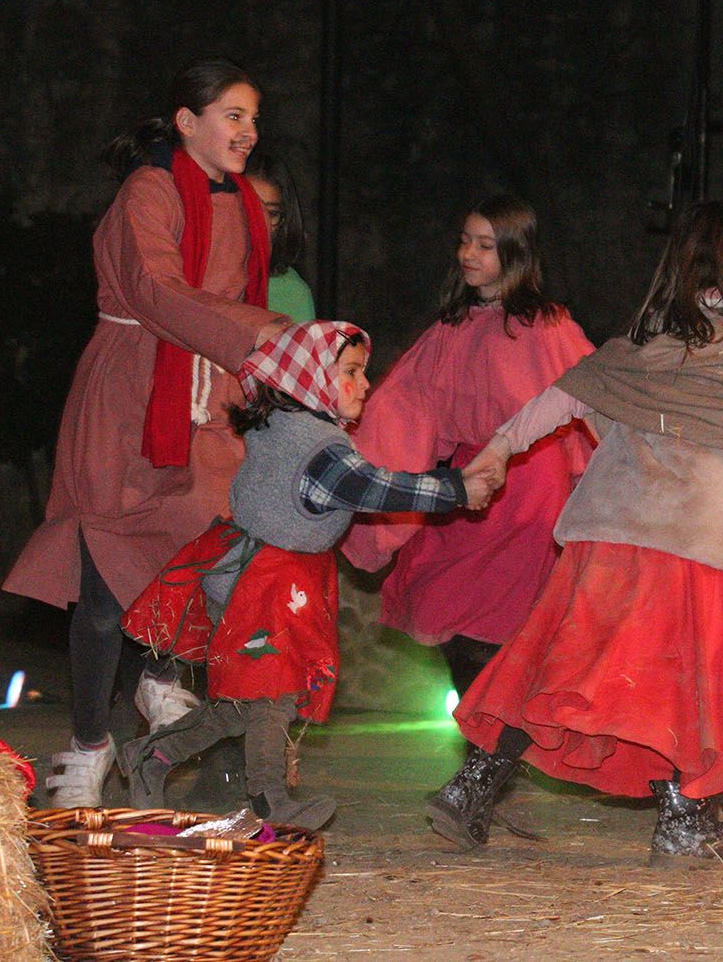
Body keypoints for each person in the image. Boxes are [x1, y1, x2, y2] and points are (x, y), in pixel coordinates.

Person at [431, 201, 723, 865]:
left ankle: (472, 785)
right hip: (691, 546)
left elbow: (564, 395)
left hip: (608, 539)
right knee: (688, 682)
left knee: (561, 669)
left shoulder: (647, 341)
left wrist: (500, 446)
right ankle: (683, 818)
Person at [4, 58, 290, 807]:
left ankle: (161, 675)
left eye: (253, 117)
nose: (248, 130)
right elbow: (158, 292)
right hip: (132, 392)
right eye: (233, 114)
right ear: (188, 122)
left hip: (205, 395)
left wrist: (267, 356)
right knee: (104, 578)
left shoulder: (244, 206)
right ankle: (88, 745)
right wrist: (269, 336)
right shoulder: (150, 191)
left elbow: (218, 306)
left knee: (205, 533)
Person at [117, 321, 495, 828]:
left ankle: (152, 756)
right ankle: (270, 798)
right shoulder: (319, 452)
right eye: (352, 372)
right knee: (272, 695)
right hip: (264, 584)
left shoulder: (282, 428)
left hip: (261, 576)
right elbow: (374, 489)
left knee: (243, 703)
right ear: (310, 379)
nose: (364, 385)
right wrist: (455, 489)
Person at [341, 195, 594, 697]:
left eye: (485, 245)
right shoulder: (452, 327)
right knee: (442, 596)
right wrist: (359, 466)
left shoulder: (548, 326)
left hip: (530, 487)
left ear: (514, 254)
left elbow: (591, 397)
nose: (468, 255)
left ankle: (489, 745)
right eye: (464, 241)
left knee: (506, 614)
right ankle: (484, 731)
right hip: (466, 482)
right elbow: (404, 404)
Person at [244, 148, 317, 322]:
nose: (259, 224)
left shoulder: (291, 293)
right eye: (248, 209)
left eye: (271, 213)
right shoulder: (190, 272)